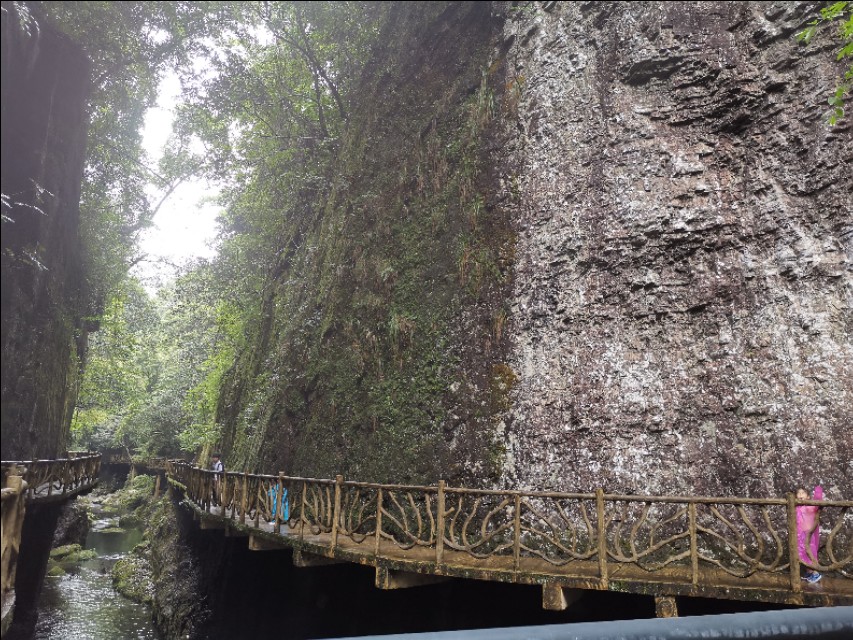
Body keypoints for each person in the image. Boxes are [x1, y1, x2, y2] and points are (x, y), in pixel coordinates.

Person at [796, 485, 823, 583]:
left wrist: (818, 491)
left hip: (809, 535)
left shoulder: (810, 506)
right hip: (800, 535)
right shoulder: (796, 507)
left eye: (803, 493)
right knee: (802, 554)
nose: (800, 495)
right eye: (798, 493)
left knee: (810, 553)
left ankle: (815, 573)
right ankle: (809, 572)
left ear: (808, 497)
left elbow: (818, 502)